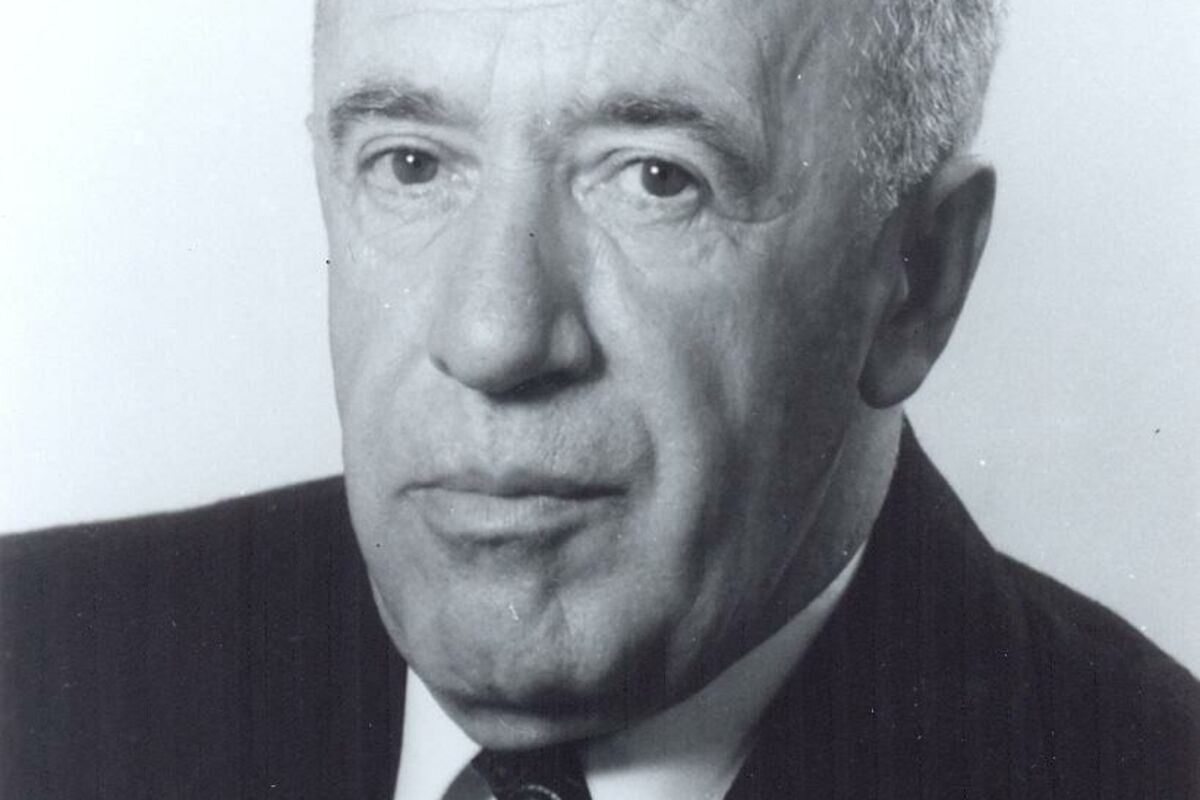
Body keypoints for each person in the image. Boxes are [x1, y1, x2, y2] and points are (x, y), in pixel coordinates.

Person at [2, 0, 1197, 797]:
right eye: (412, 162)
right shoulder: (34, 662)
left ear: (914, 283)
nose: (493, 336)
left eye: (658, 178)